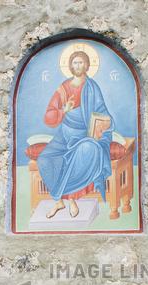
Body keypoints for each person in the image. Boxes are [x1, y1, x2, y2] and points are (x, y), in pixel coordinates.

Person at [36, 50, 113, 219]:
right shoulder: (63, 88)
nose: (78, 66)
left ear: (87, 65)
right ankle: (59, 201)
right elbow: (49, 117)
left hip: (85, 134)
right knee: (44, 159)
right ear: (70, 66)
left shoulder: (92, 88)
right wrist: (64, 110)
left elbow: (103, 113)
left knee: (85, 150)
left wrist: (103, 124)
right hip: (64, 135)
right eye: (75, 63)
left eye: (81, 62)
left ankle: (70, 199)